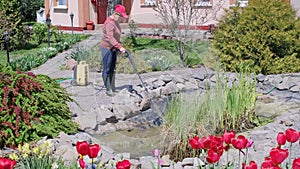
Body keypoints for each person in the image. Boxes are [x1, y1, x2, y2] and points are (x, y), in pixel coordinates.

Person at [100, 4, 128, 96]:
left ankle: (113, 88)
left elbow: (116, 36)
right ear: (116, 14)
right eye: (121, 17)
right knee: (107, 69)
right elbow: (110, 38)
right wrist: (119, 47)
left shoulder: (115, 22)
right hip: (106, 48)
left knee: (112, 68)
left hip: (113, 48)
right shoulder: (109, 23)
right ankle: (108, 89)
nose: (121, 19)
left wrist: (118, 47)